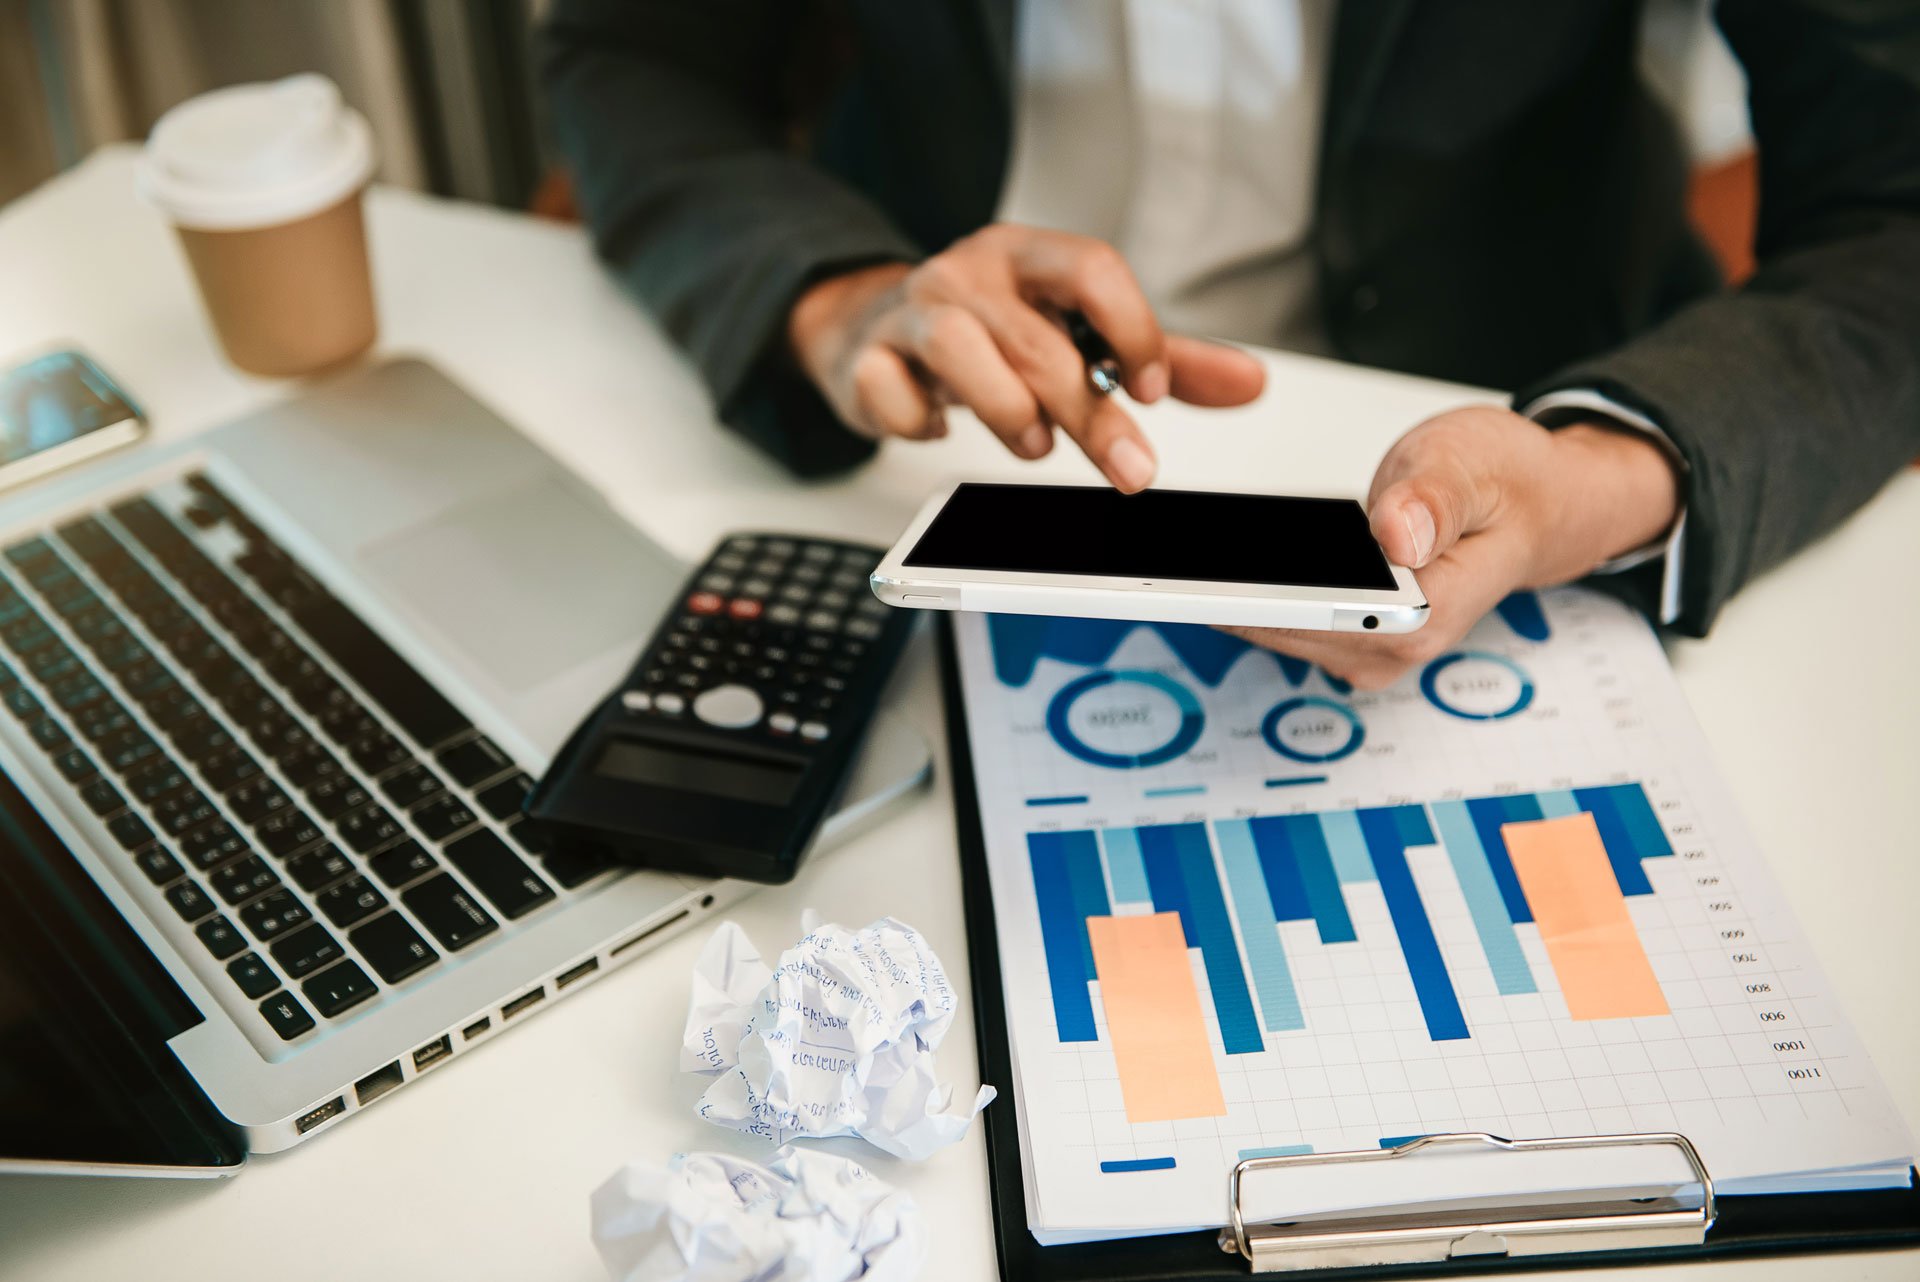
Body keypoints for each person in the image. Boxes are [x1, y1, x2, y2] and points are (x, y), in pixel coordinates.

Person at [542, 0, 1920, 688]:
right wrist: (833, 294)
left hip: (1517, 437)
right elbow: (635, 56)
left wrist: (1603, 476)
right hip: (954, 432)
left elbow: (1895, 210)